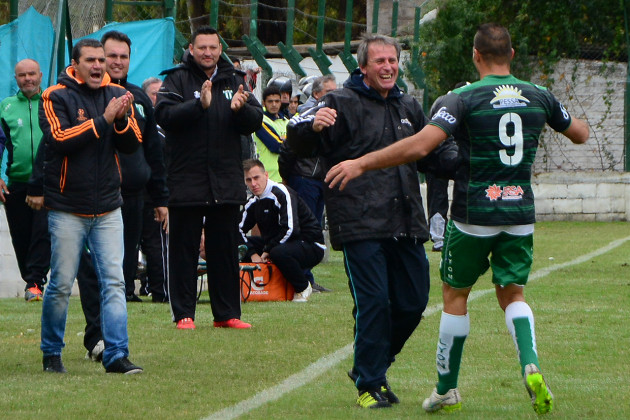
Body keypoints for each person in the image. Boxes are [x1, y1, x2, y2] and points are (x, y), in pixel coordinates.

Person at [324, 24, 590, 415]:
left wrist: (362, 163)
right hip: (519, 212)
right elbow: (581, 134)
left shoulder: (461, 97)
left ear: (475, 55)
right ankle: (530, 363)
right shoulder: (540, 96)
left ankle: (446, 390)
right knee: (513, 294)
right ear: (512, 55)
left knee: (454, 296)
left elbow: (421, 145)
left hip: (473, 215)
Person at [286, 34, 431, 408]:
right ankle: (369, 383)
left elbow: (433, 153)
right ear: (363, 66)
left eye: (392, 60)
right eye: (379, 61)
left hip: (407, 219)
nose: (387, 67)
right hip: (359, 221)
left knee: (413, 302)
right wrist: (312, 127)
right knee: (374, 303)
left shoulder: (410, 106)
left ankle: (374, 364)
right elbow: (295, 142)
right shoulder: (337, 102)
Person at [33, 38, 144, 374]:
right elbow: (60, 139)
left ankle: (116, 355)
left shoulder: (118, 95)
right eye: (92, 60)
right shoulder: (55, 96)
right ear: (75, 64)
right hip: (67, 208)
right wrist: (103, 121)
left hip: (109, 206)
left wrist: (122, 119)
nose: (99, 66)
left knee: (115, 281)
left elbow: (132, 143)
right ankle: (52, 352)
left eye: (102, 60)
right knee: (62, 284)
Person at [155, 26, 262, 330]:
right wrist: (198, 106)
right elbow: (164, 116)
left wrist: (241, 111)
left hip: (225, 180)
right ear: (191, 48)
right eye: (201, 48)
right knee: (184, 251)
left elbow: (255, 120)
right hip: (186, 180)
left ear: (220, 48)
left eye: (213, 48)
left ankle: (227, 314)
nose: (207, 53)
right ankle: (184, 313)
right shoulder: (176, 78)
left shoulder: (235, 80)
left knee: (224, 250)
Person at [279, 74, 337, 293]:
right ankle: (302, 277)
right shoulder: (307, 115)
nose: (335, 96)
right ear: (316, 94)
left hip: (319, 179)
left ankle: (306, 276)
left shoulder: (332, 114)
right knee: (305, 229)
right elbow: (289, 147)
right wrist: (287, 176)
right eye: (329, 93)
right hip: (304, 179)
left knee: (314, 229)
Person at [239, 159, 325, 302]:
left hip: (310, 243)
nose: (253, 184)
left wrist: (267, 250)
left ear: (266, 175)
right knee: (238, 246)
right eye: (248, 180)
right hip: (278, 243)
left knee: (278, 252)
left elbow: (291, 229)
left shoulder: (282, 193)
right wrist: (252, 253)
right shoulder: (254, 201)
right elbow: (237, 229)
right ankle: (249, 288)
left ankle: (303, 287)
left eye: (256, 178)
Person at [0, 58, 50, 302]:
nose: (28, 79)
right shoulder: (5, 107)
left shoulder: (53, 102)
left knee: (43, 231)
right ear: (16, 78)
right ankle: (31, 280)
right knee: (21, 235)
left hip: (48, 181)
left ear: (40, 76)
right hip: (17, 182)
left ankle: (35, 281)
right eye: (22, 75)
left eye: (32, 74)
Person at [252, 85, 287, 182]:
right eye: (270, 101)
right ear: (264, 103)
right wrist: (289, 142)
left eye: (277, 101)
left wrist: (285, 142)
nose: (274, 104)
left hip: (286, 176)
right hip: (269, 177)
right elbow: (275, 146)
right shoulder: (260, 121)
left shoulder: (286, 121)